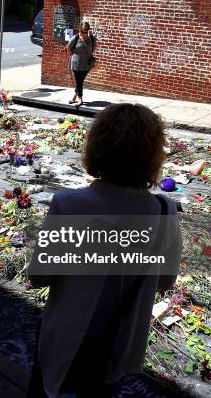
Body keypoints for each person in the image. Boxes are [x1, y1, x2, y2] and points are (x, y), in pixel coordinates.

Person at [28, 103, 182, 398]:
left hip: (65, 339)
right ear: (152, 157)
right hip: (118, 344)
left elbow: (40, 277)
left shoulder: (68, 205)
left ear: (96, 147)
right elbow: (165, 282)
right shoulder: (164, 211)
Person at [66, 21, 96, 107]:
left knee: (80, 81)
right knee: (79, 81)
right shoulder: (75, 38)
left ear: (88, 31)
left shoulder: (92, 39)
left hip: (87, 64)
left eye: (85, 32)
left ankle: (75, 96)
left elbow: (94, 47)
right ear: (80, 30)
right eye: (82, 32)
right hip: (76, 63)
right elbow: (68, 47)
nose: (84, 34)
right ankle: (80, 98)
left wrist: (89, 54)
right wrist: (73, 54)